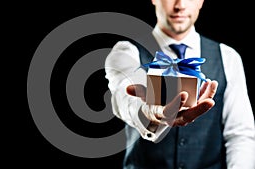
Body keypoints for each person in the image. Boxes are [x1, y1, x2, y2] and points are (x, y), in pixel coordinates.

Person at [104, 0, 255, 168]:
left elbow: (239, 134)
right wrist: (149, 112)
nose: (180, 5)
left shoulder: (227, 57)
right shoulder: (127, 51)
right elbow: (123, 98)